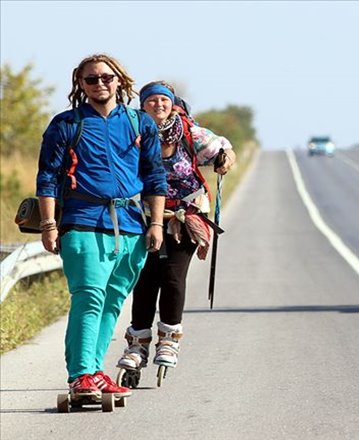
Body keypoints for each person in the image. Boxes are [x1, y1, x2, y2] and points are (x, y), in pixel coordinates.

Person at [36, 54, 167, 400]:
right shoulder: (66, 124)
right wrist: (49, 225)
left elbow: (155, 177)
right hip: (82, 221)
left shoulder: (140, 123)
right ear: (80, 84)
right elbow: (47, 178)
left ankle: (96, 371)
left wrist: (156, 223)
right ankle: (80, 375)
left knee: (112, 302)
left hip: (131, 226)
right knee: (89, 297)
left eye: (106, 78)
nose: (99, 84)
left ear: (120, 81)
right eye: (91, 79)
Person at [115, 81, 236, 381]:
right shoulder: (132, 132)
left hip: (185, 216)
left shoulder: (188, 132)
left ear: (172, 103)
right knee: (144, 278)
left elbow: (225, 149)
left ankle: (169, 338)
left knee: (171, 276)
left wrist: (224, 161)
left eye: (163, 100)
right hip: (142, 216)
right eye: (152, 100)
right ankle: (138, 344)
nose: (158, 105)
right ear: (142, 105)